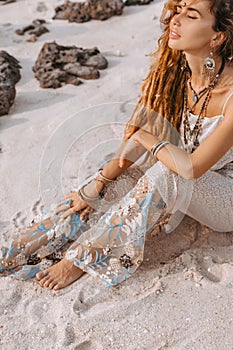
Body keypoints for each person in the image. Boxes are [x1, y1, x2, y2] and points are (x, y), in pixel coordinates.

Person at [1, 0, 233, 290]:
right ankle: (26, 244)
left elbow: (191, 167)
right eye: (178, 10)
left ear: (217, 36)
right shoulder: (174, 77)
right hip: (186, 180)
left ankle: (82, 258)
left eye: (191, 15)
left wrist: (144, 138)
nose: (176, 20)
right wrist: (98, 184)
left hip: (226, 196)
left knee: (165, 172)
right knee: (119, 179)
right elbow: (144, 137)